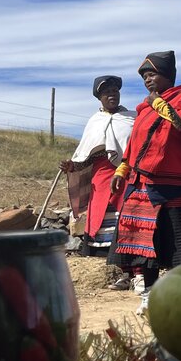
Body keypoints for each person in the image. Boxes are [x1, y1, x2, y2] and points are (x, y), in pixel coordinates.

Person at [108, 51, 181, 315]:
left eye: (153, 74)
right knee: (143, 246)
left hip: (174, 182)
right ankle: (149, 296)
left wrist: (158, 103)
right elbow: (133, 146)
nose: (148, 80)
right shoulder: (143, 109)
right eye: (145, 76)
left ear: (168, 76)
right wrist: (121, 171)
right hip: (141, 185)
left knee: (178, 244)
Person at [61, 76, 135, 261]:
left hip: (127, 173)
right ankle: (99, 255)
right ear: (99, 97)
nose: (112, 94)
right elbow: (85, 156)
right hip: (101, 176)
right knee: (101, 212)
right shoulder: (94, 122)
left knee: (125, 211)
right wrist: (72, 166)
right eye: (106, 91)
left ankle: (125, 255)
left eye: (115, 90)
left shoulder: (132, 118)